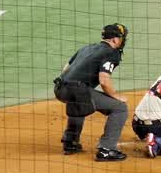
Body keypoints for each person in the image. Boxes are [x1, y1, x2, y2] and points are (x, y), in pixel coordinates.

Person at [53, 23, 130, 161]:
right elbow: (104, 80)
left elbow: (66, 69)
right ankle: (107, 149)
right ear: (115, 39)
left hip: (59, 88)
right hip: (75, 90)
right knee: (120, 108)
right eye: (122, 38)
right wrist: (116, 96)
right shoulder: (112, 53)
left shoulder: (87, 48)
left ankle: (70, 142)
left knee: (80, 101)